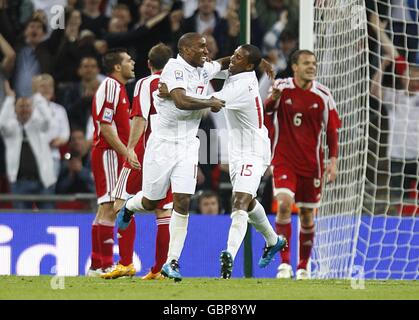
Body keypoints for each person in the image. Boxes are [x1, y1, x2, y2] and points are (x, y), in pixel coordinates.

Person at [116, 32, 226, 282]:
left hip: (188, 145)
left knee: (182, 201)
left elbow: (224, 62)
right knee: (151, 202)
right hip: (162, 145)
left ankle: (172, 262)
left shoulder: (203, 68)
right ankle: (129, 207)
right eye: (201, 47)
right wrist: (209, 101)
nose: (206, 52)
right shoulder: (174, 68)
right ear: (186, 50)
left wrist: (248, 57)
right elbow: (181, 101)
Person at [208, 44, 286, 279]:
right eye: (234, 54)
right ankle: (273, 241)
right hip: (237, 150)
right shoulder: (238, 71)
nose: (233, 59)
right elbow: (212, 68)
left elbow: (211, 101)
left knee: (240, 201)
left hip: (253, 150)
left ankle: (229, 255)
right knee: (249, 202)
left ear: (248, 66)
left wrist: (175, 95)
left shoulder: (242, 85)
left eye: (239, 57)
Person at [264, 50, 341, 280]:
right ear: (295, 66)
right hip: (284, 159)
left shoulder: (323, 95)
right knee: (285, 205)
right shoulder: (281, 86)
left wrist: (333, 161)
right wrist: (274, 98)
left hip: (312, 164)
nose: (311, 67)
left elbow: (332, 131)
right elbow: (267, 110)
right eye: (306, 63)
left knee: (307, 215)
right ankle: (285, 264)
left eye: (313, 63)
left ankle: (303, 266)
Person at [101, 43, 174, 280]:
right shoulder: (181, 83)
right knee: (164, 211)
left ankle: (125, 263)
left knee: (120, 205)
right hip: (173, 152)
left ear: (149, 64)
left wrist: (130, 149)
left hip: (145, 151)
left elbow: (140, 119)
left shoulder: (145, 84)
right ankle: (159, 269)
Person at [87, 48, 136, 276]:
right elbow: (106, 126)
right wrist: (126, 152)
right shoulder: (111, 86)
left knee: (103, 210)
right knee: (109, 208)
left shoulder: (119, 88)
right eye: (128, 60)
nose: (132, 62)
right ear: (117, 67)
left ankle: (97, 265)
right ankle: (106, 265)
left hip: (109, 153)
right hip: (108, 153)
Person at [0, 81, 56, 210]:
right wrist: (9, 99)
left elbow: (48, 120)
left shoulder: (38, 126)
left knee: (48, 217)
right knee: (20, 220)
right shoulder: (11, 130)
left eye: (27, 106)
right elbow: (1, 124)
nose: (24, 109)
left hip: (44, 180)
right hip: (19, 182)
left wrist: (37, 97)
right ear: (15, 109)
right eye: (21, 106)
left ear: (32, 109)